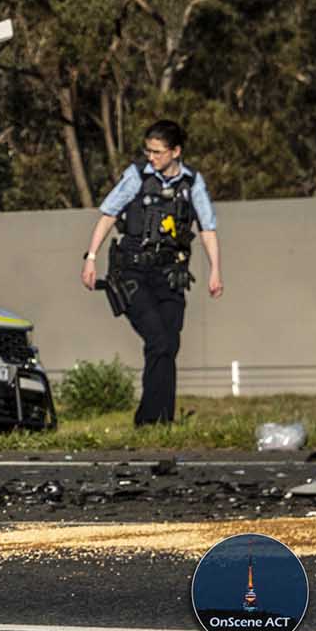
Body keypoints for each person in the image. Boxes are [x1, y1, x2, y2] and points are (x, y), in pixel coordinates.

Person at [80, 120, 224, 425]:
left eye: (158, 152)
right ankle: (149, 420)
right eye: (148, 151)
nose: (151, 157)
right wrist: (90, 257)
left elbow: (207, 228)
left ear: (176, 152)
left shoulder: (192, 183)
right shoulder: (136, 177)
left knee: (168, 344)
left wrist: (215, 271)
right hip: (132, 272)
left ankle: (160, 421)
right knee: (158, 340)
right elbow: (108, 215)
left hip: (170, 275)